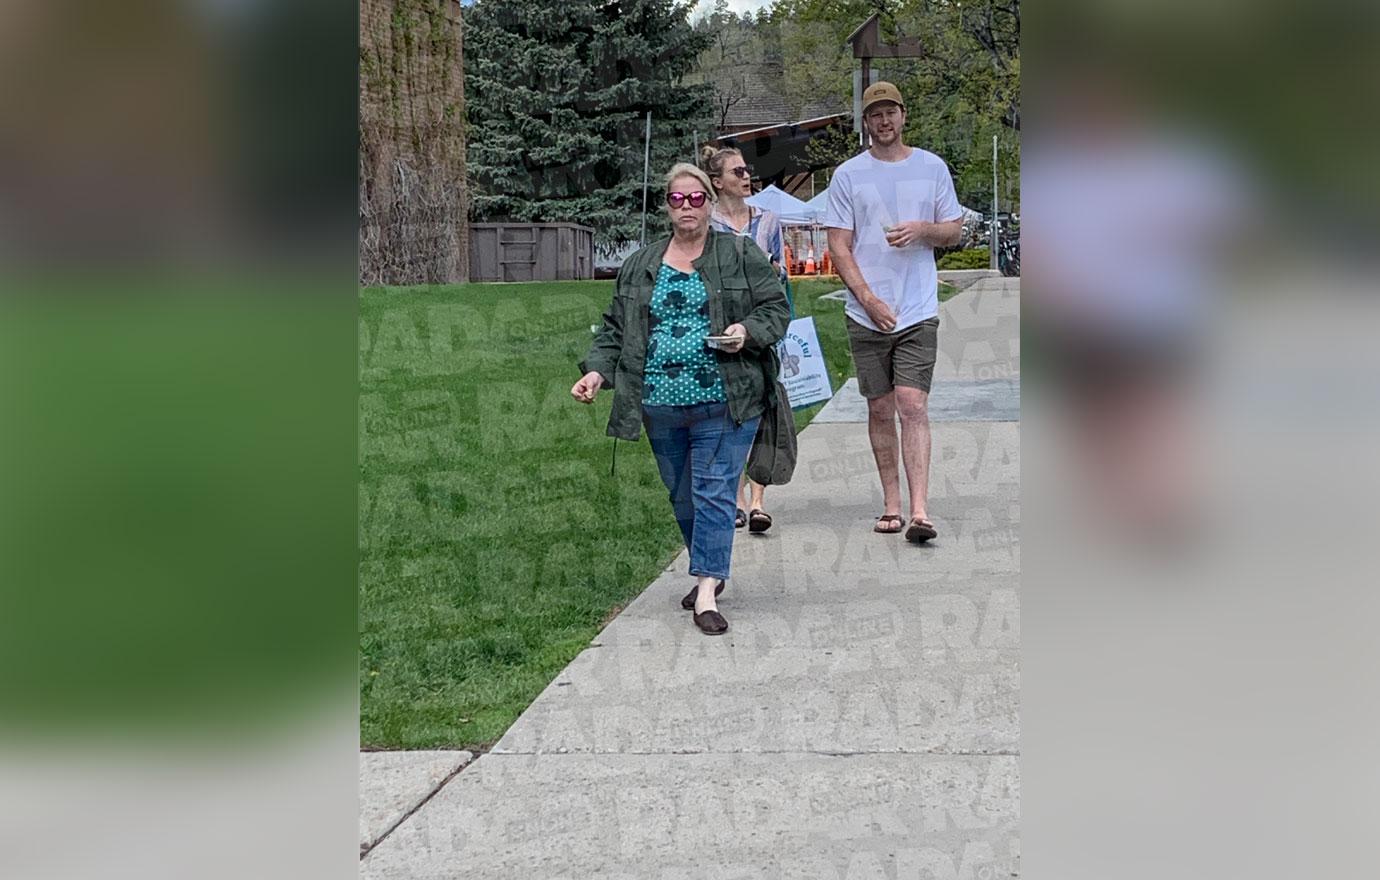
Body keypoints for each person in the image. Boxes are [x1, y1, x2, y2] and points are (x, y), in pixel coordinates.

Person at [573, 162, 790, 635]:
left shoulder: (740, 253)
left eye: (696, 198)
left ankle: (707, 591)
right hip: (658, 404)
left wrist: (746, 331)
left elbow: (776, 307)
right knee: (683, 497)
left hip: (727, 398)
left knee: (713, 492)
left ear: (710, 202)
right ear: (667, 207)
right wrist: (595, 372)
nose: (687, 207)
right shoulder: (641, 264)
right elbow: (615, 328)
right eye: (678, 199)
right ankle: (709, 566)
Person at [824, 81, 964, 543]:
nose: (884, 121)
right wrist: (866, 298)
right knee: (881, 407)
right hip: (867, 311)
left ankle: (921, 510)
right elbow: (838, 246)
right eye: (874, 115)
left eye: (891, 112)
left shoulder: (932, 168)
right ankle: (891, 503)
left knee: (912, 403)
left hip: (917, 306)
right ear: (866, 124)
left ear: (904, 115)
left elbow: (955, 230)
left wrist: (924, 229)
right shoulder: (848, 175)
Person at [701, 144, 792, 535]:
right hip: (724, 327)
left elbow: (784, 274)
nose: (745, 177)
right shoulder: (709, 224)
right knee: (730, 410)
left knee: (763, 409)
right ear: (718, 182)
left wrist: (772, 271)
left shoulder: (768, 221)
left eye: (746, 171)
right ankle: (736, 500)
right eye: (736, 172)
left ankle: (758, 501)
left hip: (763, 328)